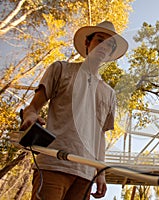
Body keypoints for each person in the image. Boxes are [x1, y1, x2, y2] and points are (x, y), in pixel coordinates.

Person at [20, 21, 128, 200]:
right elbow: (33, 108)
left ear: (111, 52)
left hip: (86, 174)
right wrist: (30, 116)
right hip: (53, 164)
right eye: (99, 40)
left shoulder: (110, 94)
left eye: (109, 45)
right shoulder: (60, 69)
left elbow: (100, 137)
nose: (103, 47)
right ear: (87, 43)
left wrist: (100, 173)